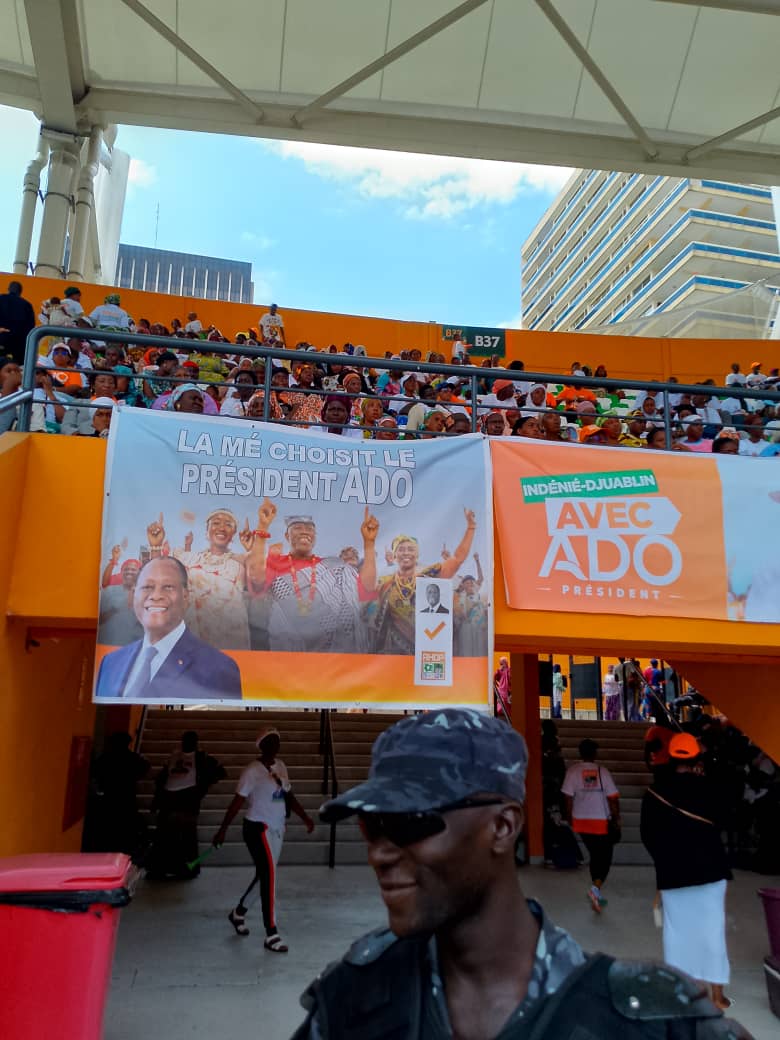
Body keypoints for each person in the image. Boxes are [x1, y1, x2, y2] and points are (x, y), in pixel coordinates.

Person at [293, 709, 746, 1040]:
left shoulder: (650, 1020)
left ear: (503, 827)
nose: (379, 855)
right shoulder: (352, 1000)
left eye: (411, 823)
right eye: (372, 827)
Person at [641, 733, 734, 1011]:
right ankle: (717, 996)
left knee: (677, 932)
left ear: (670, 757)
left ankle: (680, 991)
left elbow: (648, 836)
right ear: (696, 758)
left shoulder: (655, 792)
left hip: (673, 872)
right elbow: (727, 818)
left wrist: (665, 860)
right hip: (711, 870)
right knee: (712, 931)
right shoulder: (711, 788)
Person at [214, 727, 314, 953]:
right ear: (261, 745)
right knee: (269, 877)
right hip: (257, 828)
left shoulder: (281, 766)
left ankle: (238, 913)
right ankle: (271, 933)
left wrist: (305, 817)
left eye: (277, 740)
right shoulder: (252, 770)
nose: (275, 745)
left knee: (265, 876)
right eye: (270, 741)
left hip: (278, 829)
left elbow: (288, 795)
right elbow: (237, 801)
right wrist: (222, 830)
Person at [94, 557, 243, 700]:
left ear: (185, 597)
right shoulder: (110, 663)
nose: (156, 595)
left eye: (168, 587)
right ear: (134, 595)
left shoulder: (219, 669)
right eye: (147, 587)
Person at [244, 501, 379, 653]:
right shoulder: (275, 562)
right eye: (297, 528)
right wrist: (263, 526)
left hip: (337, 658)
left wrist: (369, 543)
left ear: (315, 536)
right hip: (290, 655)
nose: (304, 532)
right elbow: (256, 577)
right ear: (287, 535)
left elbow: (366, 590)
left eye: (309, 529)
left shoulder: (333, 566)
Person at [369, 510, 476, 655]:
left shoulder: (429, 577)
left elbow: (457, 559)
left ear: (417, 554)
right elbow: (371, 611)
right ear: (394, 556)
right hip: (394, 654)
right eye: (401, 549)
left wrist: (471, 527)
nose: (406, 553)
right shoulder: (385, 584)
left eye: (410, 549)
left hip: (427, 652)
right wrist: (368, 543)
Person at [147, 731, 226, 880]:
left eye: (190, 741)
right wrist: (156, 800)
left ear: (196, 743)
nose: (186, 743)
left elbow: (220, 772)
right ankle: (159, 868)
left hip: (188, 799)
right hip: (169, 798)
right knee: (164, 835)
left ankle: (188, 869)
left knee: (186, 837)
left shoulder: (202, 757)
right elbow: (164, 776)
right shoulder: (175, 755)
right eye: (185, 740)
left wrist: (202, 787)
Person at [561, 738, 621, 913]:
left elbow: (567, 797)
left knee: (596, 855)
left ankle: (597, 892)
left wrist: (570, 816)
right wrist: (616, 818)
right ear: (594, 754)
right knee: (605, 858)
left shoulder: (572, 772)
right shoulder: (603, 772)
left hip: (581, 821)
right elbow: (613, 798)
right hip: (600, 821)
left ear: (580, 753)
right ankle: (595, 889)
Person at [85, 731, 150, 854]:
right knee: (126, 826)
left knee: (110, 826)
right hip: (127, 796)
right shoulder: (133, 758)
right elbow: (144, 768)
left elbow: (95, 771)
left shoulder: (106, 758)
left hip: (110, 796)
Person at [98, 556, 143, 645]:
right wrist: (114, 610)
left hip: (136, 647)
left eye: (133, 569)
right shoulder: (109, 591)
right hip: (110, 644)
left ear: (140, 573)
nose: (129, 572)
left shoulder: (147, 594)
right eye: (126, 569)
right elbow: (99, 621)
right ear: (121, 573)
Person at [0, 280, 35, 364]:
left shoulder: (1, 299)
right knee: (17, 368)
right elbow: (30, 326)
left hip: (1, 338)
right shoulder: (27, 305)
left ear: (8, 289)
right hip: (19, 344)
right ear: (20, 292)